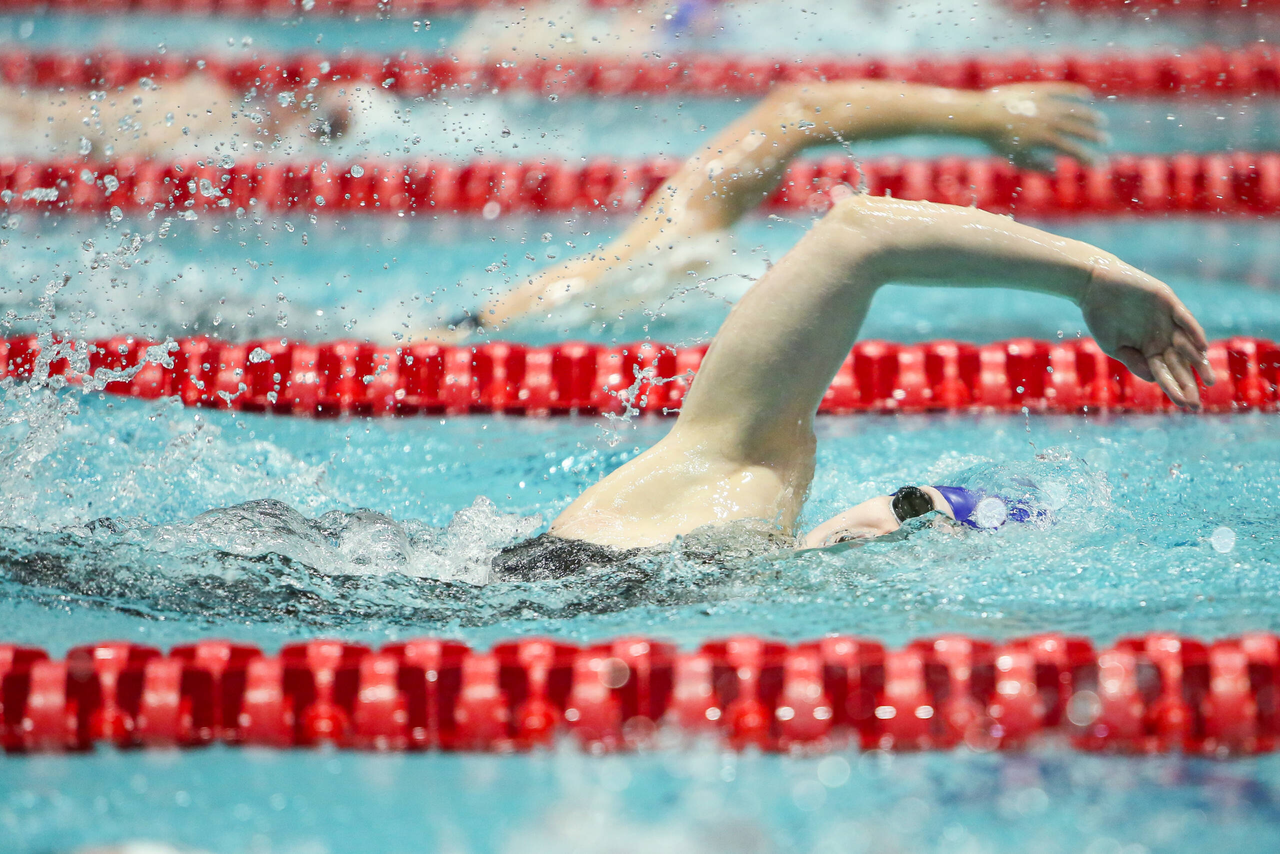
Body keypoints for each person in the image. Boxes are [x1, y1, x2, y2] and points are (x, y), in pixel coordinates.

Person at [491, 191, 1214, 579]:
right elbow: (856, 232)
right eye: (913, 512)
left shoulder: (722, 507)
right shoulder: (731, 485)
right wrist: (1089, 277)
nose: (881, 523)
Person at [450, 79, 1108, 336]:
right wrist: (983, 115)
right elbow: (794, 115)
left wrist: (981, 115)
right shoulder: (630, 275)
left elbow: (793, 114)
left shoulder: (638, 272)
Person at [0, 75, 361, 159]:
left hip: (127, 118)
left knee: (31, 112)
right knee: (29, 114)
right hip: (123, 121)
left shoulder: (222, 115)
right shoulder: (217, 109)